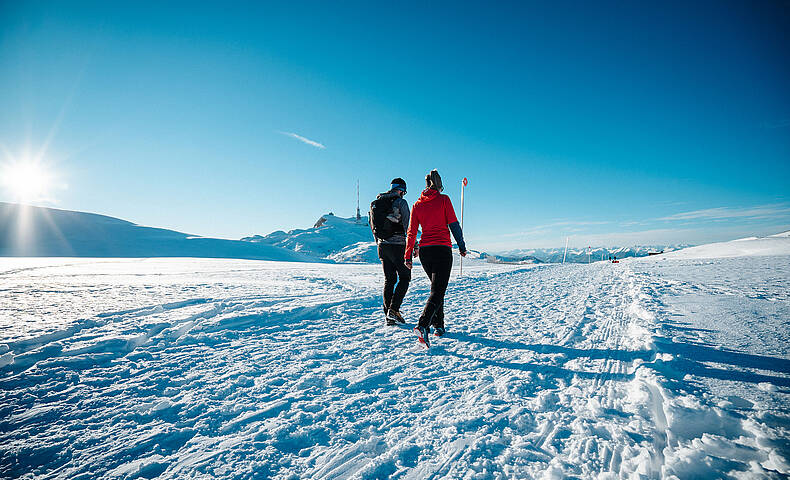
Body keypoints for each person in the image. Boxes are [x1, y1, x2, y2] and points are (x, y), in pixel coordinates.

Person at [404, 169, 467, 347]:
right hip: (442, 249)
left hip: (425, 252)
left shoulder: (417, 205)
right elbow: (454, 224)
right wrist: (461, 246)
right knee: (438, 291)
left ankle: (439, 325)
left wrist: (408, 255)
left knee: (437, 288)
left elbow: (411, 232)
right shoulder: (444, 199)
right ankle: (423, 325)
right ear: (439, 185)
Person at [369, 178, 411, 326]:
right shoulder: (400, 202)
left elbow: (373, 226)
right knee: (405, 277)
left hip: (382, 246)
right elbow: (408, 226)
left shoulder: (375, 204)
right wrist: (413, 245)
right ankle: (394, 310)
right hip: (398, 245)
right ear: (402, 190)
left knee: (389, 280)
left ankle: (388, 316)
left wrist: (380, 242)